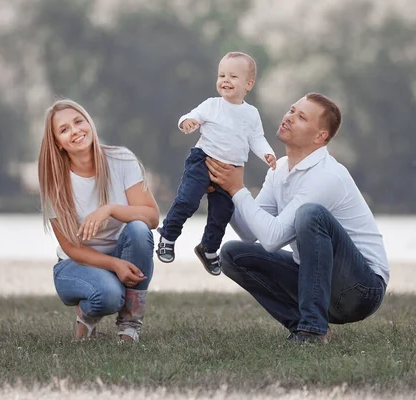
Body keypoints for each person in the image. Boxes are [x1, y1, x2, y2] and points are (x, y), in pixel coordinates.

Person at [206, 93, 389, 343]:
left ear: (319, 137)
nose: (290, 117)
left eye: (301, 117)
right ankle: (304, 326)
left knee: (310, 214)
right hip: (315, 281)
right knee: (232, 255)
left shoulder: (327, 176)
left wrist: (238, 189)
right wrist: (223, 193)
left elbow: (271, 240)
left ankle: (312, 330)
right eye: (292, 110)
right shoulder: (280, 168)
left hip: (360, 289)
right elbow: (250, 233)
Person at [38, 99, 160, 342]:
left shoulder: (122, 160)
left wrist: (111, 209)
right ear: (58, 144)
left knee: (138, 229)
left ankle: (130, 326)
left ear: (89, 123)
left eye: (78, 121)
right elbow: (71, 247)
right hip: (77, 263)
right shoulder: (55, 181)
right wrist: (114, 266)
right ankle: (87, 314)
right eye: (64, 130)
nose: (75, 131)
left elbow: (152, 217)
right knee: (109, 296)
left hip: (121, 251)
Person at [156, 51, 277, 276]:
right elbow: (188, 116)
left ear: (248, 84)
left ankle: (208, 248)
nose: (225, 80)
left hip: (231, 169)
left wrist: (267, 154)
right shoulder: (211, 105)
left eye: (233, 76)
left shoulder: (251, 114)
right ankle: (168, 235)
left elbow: (257, 139)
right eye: (221, 75)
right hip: (203, 159)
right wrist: (187, 123)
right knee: (188, 200)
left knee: (221, 214)